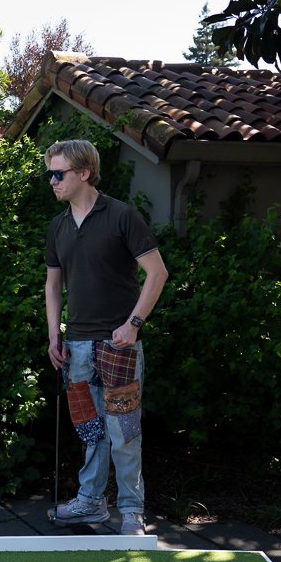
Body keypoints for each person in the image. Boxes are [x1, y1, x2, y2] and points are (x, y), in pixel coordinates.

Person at [43, 139, 168, 536]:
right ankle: (91, 503)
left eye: (58, 173)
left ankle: (132, 510)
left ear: (84, 173)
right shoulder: (58, 226)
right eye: (50, 173)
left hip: (119, 346)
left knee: (124, 433)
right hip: (76, 346)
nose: (52, 181)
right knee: (90, 430)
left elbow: (158, 272)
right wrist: (53, 336)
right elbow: (52, 286)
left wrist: (134, 324)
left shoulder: (121, 216)